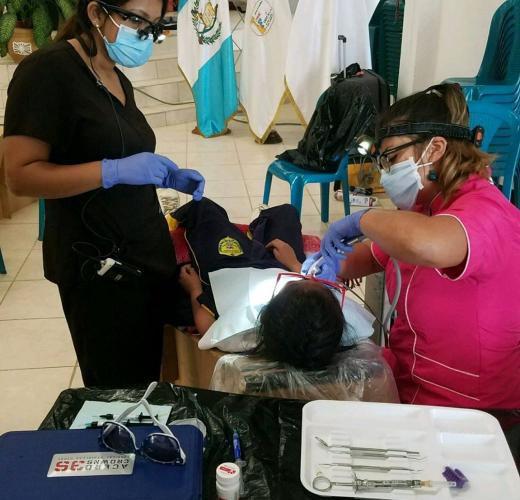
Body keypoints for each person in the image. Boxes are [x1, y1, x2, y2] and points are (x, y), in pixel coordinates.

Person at [2, 0, 205, 388]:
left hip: (142, 254)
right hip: (97, 270)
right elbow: (19, 177)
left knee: (149, 378)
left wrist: (163, 175)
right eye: (136, 21)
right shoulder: (47, 73)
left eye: (154, 27)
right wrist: (111, 171)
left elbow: (110, 143)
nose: (144, 36)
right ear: (96, 13)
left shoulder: (112, 72)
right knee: (118, 391)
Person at [304, 83, 520, 409]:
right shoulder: (425, 207)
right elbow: (370, 256)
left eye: (391, 158)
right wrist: (316, 265)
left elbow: (424, 243)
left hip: (469, 411)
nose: (385, 173)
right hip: (407, 386)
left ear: (434, 149)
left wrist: (364, 219)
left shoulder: (486, 212)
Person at [174, 198, 375, 370]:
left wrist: (194, 289)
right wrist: (295, 265)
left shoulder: (244, 331)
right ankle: (258, 232)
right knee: (286, 213)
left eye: (294, 282)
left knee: (203, 208)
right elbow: (314, 288)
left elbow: (206, 326)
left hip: (237, 269)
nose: (304, 277)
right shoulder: (336, 329)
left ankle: (251, 238)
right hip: (282, 264)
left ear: (268, 311)